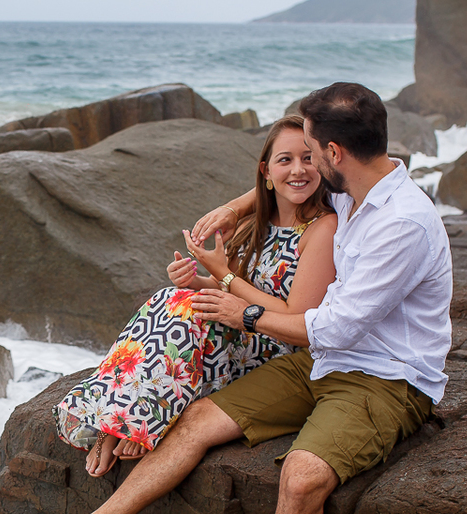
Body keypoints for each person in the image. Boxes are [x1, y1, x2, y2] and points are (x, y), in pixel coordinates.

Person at [9, 82, 452, 514]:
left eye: (312, 150)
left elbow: (330, 325)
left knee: (302, 478)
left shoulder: (401, 222)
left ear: (332, 152)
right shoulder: (358, 187)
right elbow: (288, 182)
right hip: (322, 360)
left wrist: (237, 308)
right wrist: (239, 204)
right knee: (196, 421)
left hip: (385, 376)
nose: (303, 162)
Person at [54, 115, 338, 478]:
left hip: (277, 350)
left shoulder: (322, 228)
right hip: (241, 332)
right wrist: (198, 282)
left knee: (188, 316)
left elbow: (296, 315)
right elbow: (231, 291)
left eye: (308, 158)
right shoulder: (257, 225)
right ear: (266, 171)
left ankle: (136, 419)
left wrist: (223, 274)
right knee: (169, 298)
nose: (298, 169)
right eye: (286, 160)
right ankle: (118, 414)